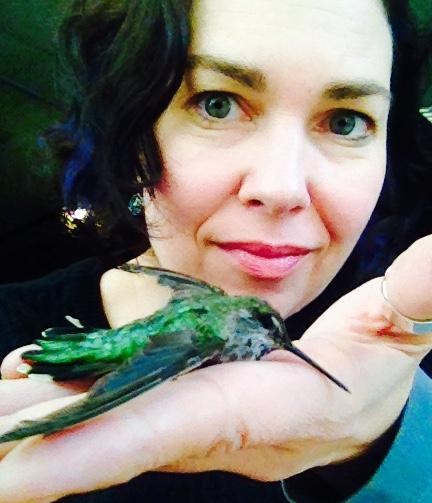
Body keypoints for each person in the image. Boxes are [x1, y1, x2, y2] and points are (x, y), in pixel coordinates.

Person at [0, 0, 431, 501]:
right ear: (135, 139)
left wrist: (389, 445)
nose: (283, 188)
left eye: (344, 121)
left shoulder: (398, 343)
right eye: (217, 104)